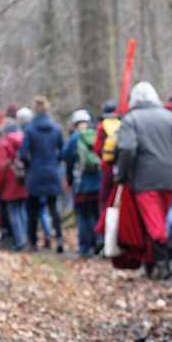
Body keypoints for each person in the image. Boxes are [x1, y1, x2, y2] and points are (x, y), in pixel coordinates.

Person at [115, 82, 172, 279]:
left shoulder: (131, 119)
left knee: (153, 222)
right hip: (170, 175)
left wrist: (122, 175)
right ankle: (154, 263)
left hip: (144, 178)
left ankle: (162, 263)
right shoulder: (170, 117)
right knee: (160, 217)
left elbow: (127, 149)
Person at [19, 95, 65, 253]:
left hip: (36, 173)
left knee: (32, 208)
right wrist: (55, 162)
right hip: (52, 172)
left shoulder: (30, 130)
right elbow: (63, 150)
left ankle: (32, 242)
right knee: (53, 208)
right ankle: (59, 240)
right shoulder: (56, 128)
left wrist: (30, 165)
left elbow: (22, 153)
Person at [63, 109, 103, 257]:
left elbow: (66, 157)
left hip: (81, 185)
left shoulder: (74, 139)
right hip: (98, 183)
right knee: (97, 213)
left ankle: (85, 248)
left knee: (83, 216)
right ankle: (100, 240)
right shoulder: (97, 134)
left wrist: (70, 179)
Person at [0, 109, 32, 250]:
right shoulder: (24, 138)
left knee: (14, 211)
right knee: (22, 210)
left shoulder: (3, 143)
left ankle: (20, 241)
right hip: (23, 180)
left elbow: (0, 166)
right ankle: (25, 238)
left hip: (10, 182)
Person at [93, 100, 120, 217]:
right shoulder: (122, 122)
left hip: (107, 168)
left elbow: (97, 147)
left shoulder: (101, 125)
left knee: (104, 199)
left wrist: (104, 158)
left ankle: (105, 230)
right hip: (121, 166)